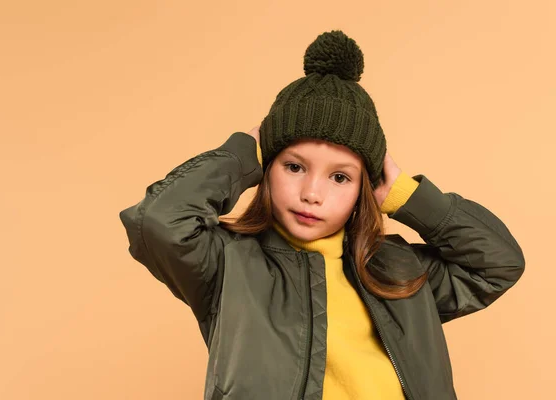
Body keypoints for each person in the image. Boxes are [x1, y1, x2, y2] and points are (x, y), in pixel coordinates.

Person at [119, 30, 525, 400]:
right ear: (267, 168)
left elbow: (498, 263)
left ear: (364, 188)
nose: (312, 194)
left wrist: (406, 195)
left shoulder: (398, 270)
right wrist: (242, 154)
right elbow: (159, 220)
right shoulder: (229, 265)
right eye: (294, 167)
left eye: (339, 177)